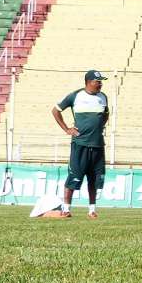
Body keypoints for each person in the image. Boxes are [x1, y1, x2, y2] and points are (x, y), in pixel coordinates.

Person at [51, 69, 109, 219]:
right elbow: (55, 111)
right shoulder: (75, 96)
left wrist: (99, 127)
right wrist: (67, 129)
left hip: (97, 145)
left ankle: (92, 210)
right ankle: (66, 209)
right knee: (74, 176)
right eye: (98, 82)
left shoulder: (103, 97)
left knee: (94, 179)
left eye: (101, 82)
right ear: (89, 82)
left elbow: (106, 114)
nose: (100, 84)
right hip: (80, 144)